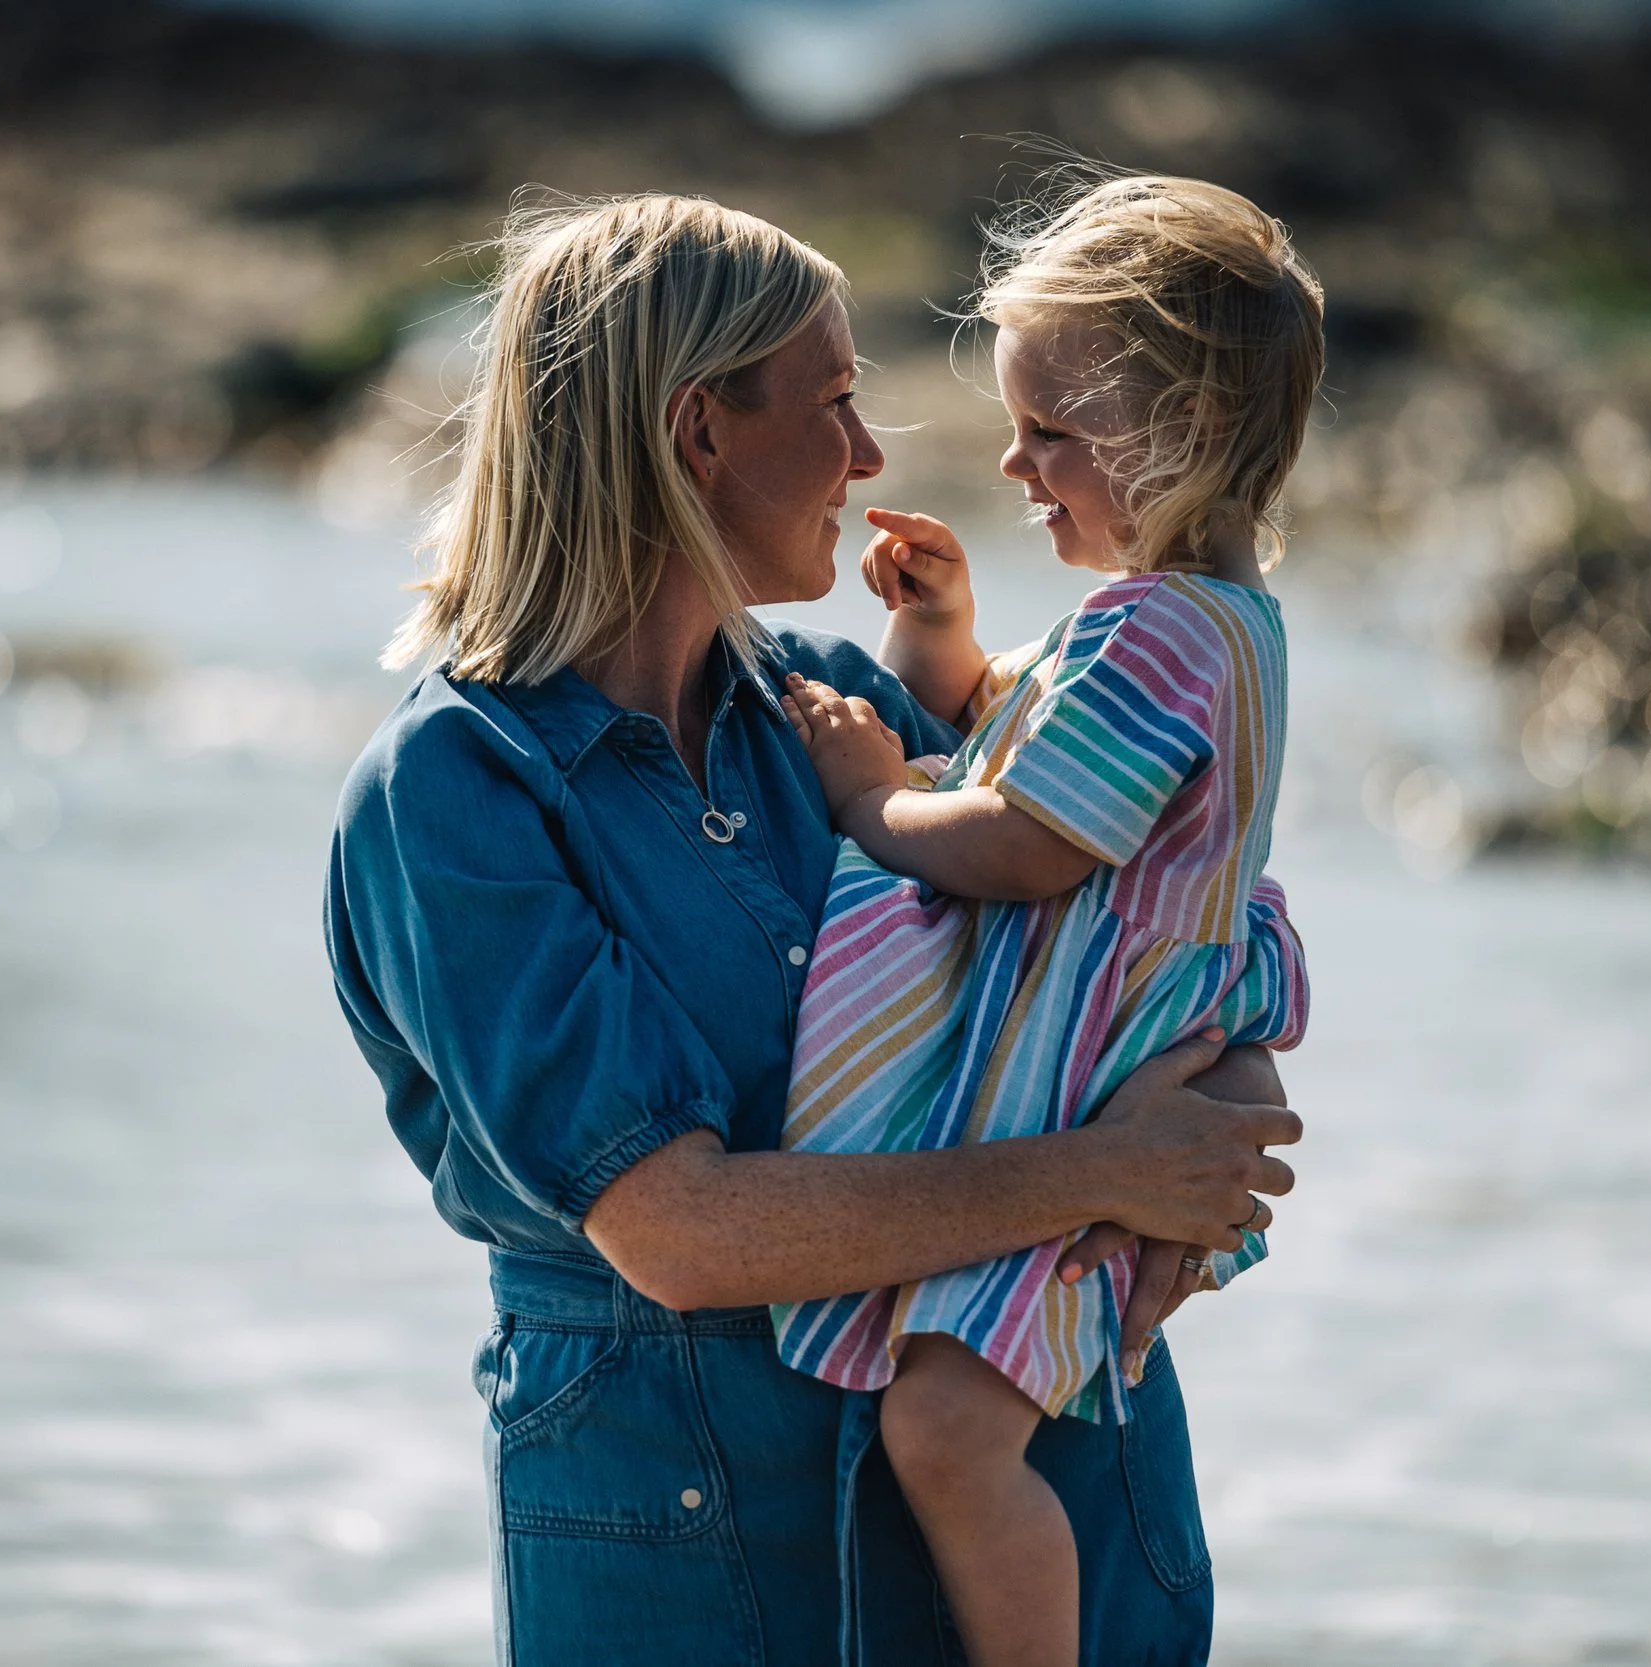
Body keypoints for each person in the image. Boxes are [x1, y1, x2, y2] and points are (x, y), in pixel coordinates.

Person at [322, 191, 1301, 1667]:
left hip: (1058, 1542)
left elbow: (1178, 895)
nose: (869, 455)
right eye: (837, 400)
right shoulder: (456, 794)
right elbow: (681, 1229)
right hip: (709, 1569)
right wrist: (1104, 1172)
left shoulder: (846, 708)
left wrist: (1229, 1117)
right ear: (696, 432)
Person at [768, 174, 1326, 1667]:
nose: (1017, 463)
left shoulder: (1153, 629)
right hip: (1138, 1068)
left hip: (1084, 1082)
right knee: (955, 1417)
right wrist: (943, 640)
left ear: (1189, 433)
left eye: (1055, 433)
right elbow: (1030, 736)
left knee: (946, 1430)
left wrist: (874, 801)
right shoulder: (1224, 622)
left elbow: (1024, 837)